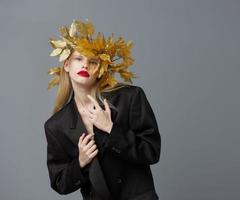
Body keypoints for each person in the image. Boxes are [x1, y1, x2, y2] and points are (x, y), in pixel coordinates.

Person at [44, 20, 161, 200]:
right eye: (78, 58)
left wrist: (111, 129)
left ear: (101, 68)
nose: (85, 65)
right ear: (67, 65)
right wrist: (81, 162)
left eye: (93, 61)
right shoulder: (56, 125)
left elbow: (151, 152)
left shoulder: (130, 98)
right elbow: (60, 183)